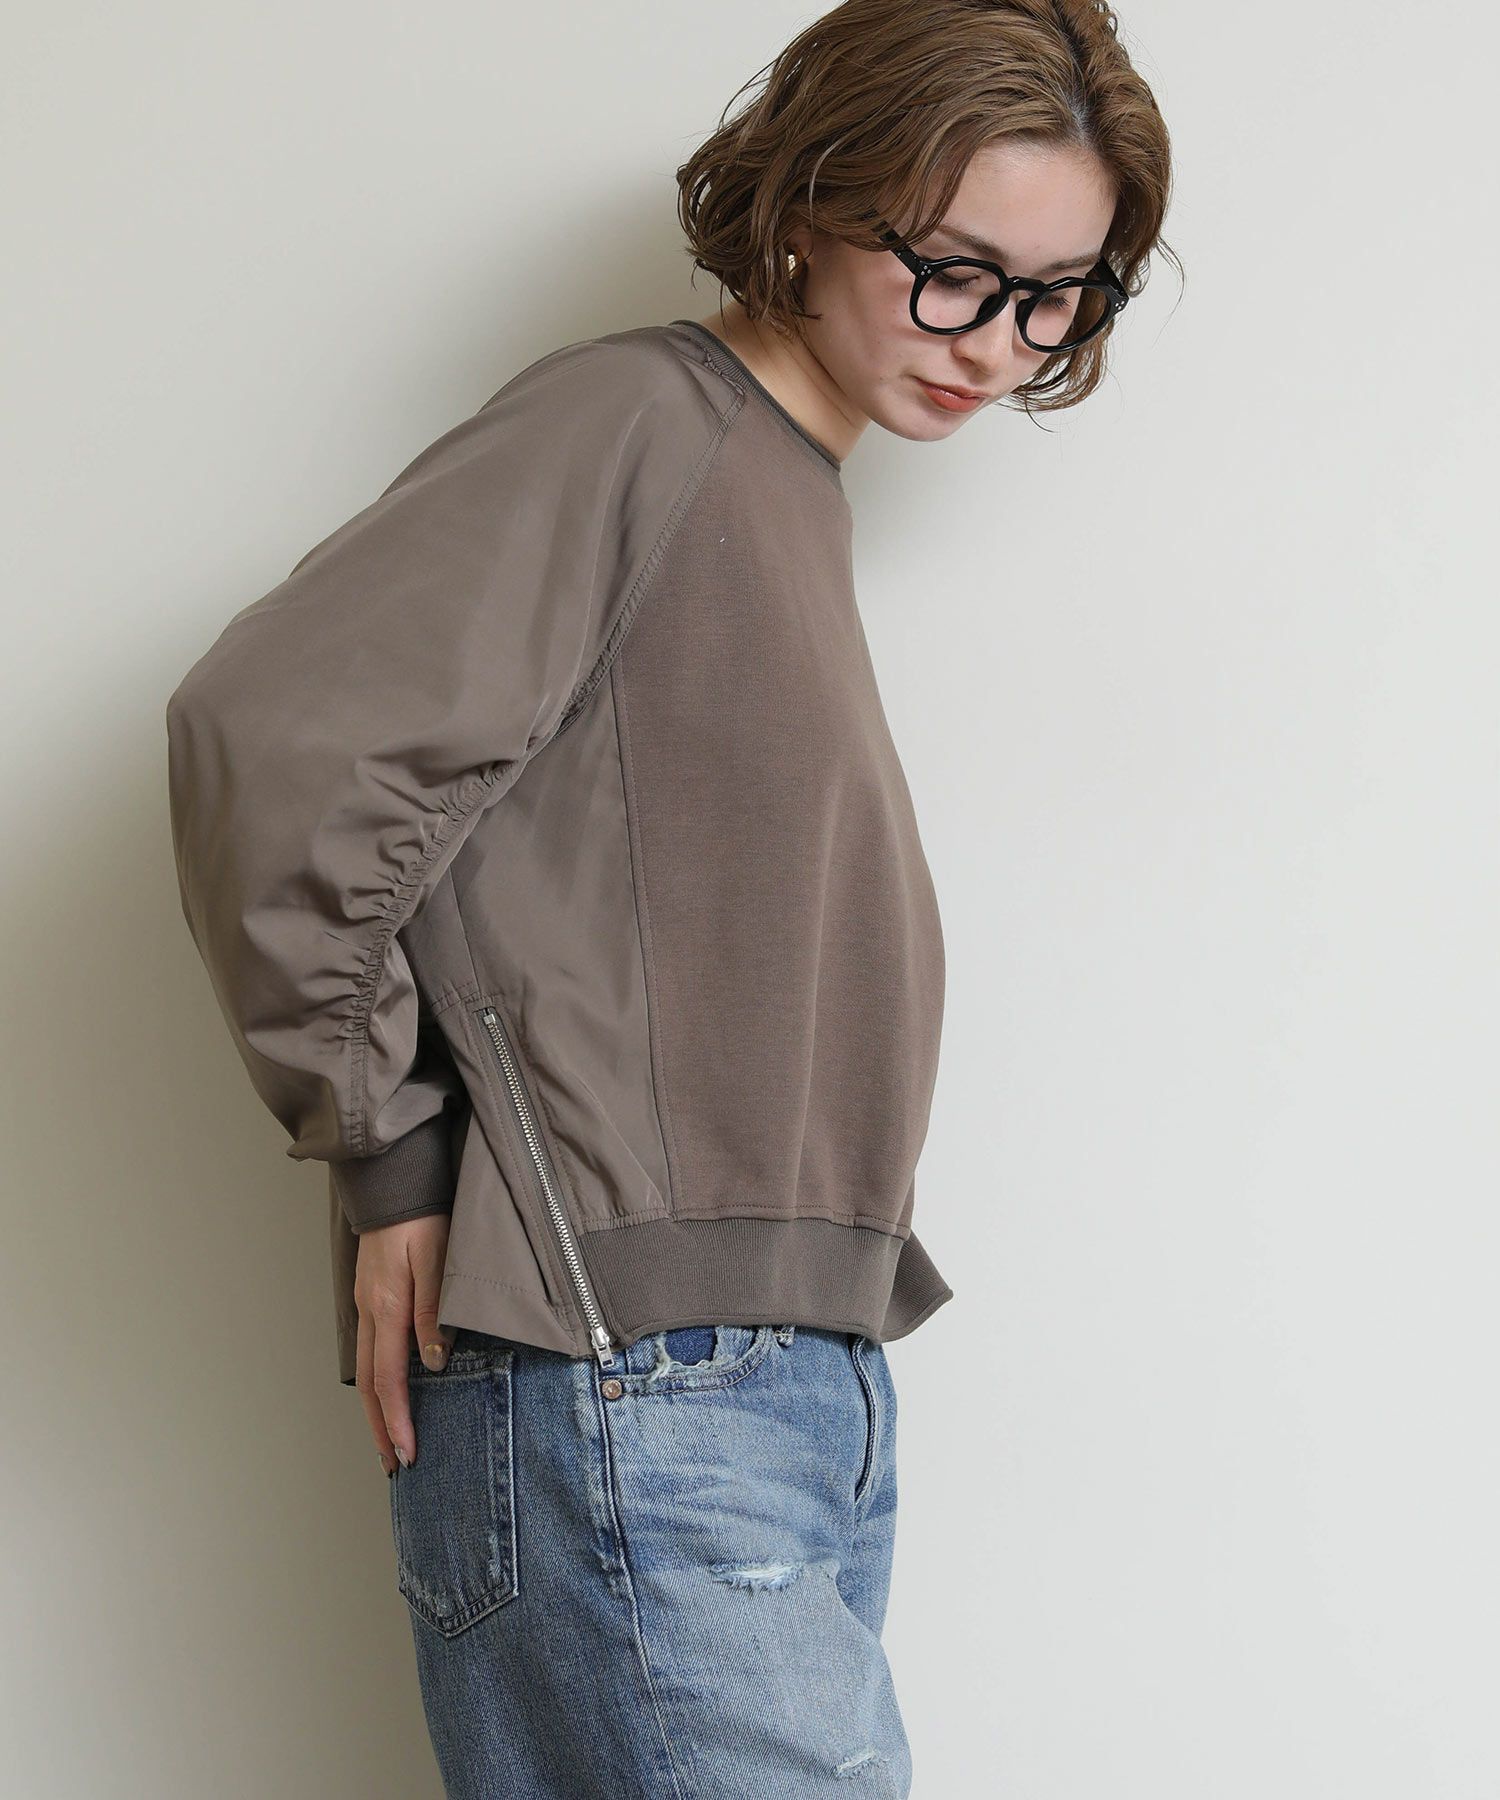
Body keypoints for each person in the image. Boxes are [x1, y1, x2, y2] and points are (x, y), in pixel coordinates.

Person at [164, 1, 1175, 1791]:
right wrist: (385, 1145)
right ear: (815, 199)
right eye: (954, 271)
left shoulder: (782, 487)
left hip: (776, 1390)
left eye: (1054, 296)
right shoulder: (641, 421)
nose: (996, 342)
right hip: (634, 1378)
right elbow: (279, 734)